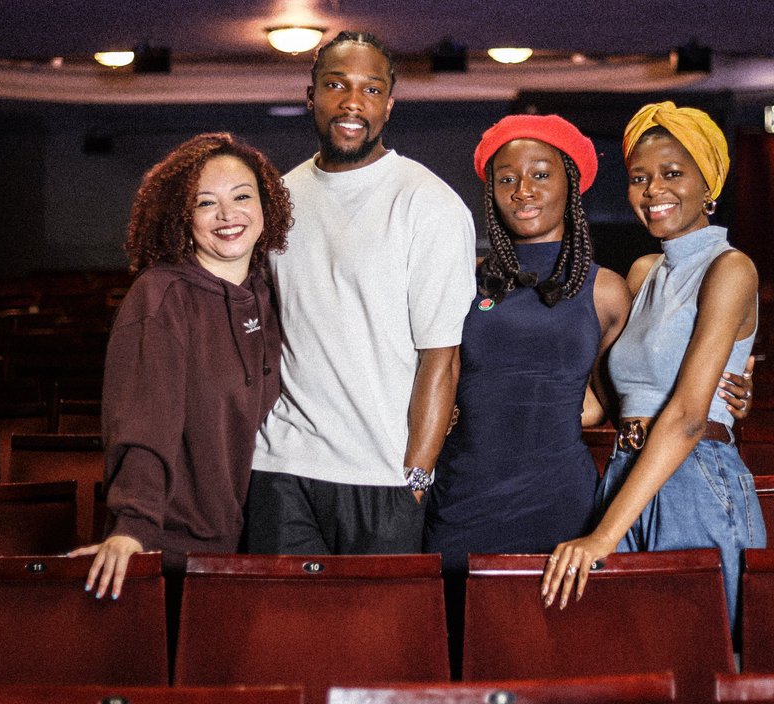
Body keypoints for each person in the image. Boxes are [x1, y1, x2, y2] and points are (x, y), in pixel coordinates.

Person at [246, 31, 476, 555]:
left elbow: (441, 360)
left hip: (383, 476)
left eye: (371, 90)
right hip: (280, 466)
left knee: (376, 637)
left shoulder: (429, 204)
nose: (353, 102)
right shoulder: (277, 199)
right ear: (311, 97)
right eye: (336, 85)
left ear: (389, 105)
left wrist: (416, 478)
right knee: (279, 633)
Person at [541, 101, 763, 627]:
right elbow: (599, 404)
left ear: (708, 184)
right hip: (625, 471)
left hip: (696, 480)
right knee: (636, 655)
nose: (653, 190)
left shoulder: (732, 268)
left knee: (703, 659)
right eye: (640, 177)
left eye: (672, 174)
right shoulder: (642, 273)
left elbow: (688, 415)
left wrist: (601, 536)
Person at [71, 132, 293, 599]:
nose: (227, 215)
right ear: (181, 216)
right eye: (205, 203)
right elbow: (145, 424)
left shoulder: (271, 293)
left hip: (254, 547)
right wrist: (133, 526)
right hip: (175, 552)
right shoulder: (161, 297)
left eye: (241, 197)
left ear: (266, 205)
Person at [424, 114, 632, 572]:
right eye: (507, 179)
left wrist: (726, 394)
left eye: (540, 174)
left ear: (570, 184)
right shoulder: (463, 278)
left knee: (555, 642)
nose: (523, 190)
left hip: (560, 506)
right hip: (463, 498)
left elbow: (611, 399)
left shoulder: (606, 290)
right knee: (456, 638)